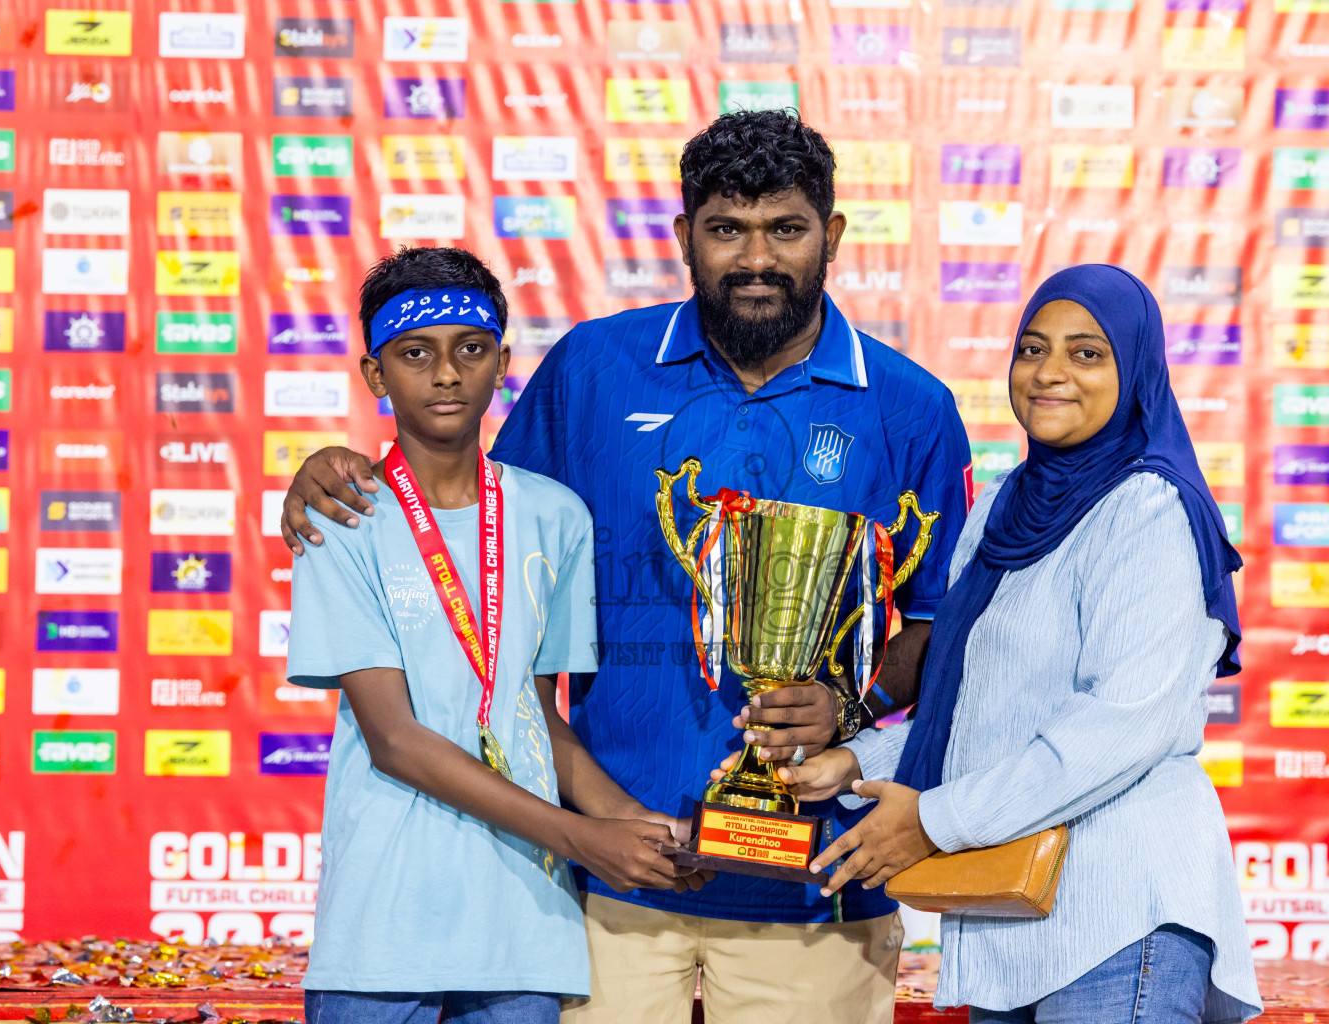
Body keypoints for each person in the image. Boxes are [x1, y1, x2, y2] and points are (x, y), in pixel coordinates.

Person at [280, 111, 973, 1024]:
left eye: (786, 229)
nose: (756, 258)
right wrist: (337, 465)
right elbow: (472, 517)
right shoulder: (592, 371)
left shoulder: (911, 407)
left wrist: (853, 705)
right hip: (606, 881)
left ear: (832, 237)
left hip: (815, 892)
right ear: (684, 235)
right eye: (727, 229)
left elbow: (942, 625)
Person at [762, 265, 1263, 1023]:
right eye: (1032, 348)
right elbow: (973, 712)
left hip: (1117, 914)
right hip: (1008, 914)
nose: (1050, 372)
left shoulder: (1151, 509)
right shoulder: (1002, 506)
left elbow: (1119, 726)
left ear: (1136, 371)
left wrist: (930, 820)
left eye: (1087, 353)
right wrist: (851, 764)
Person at [287, 247, 701, 1024]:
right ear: (377, 374)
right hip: (384, 924)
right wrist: (584, 840)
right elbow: (395, 741)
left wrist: (641, 828)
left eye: (470, 350)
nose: (446, 374)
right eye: (416, 354)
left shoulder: (555, 515)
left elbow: (538, 722)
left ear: (502, 363)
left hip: (522, 926)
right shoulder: (341, 518)